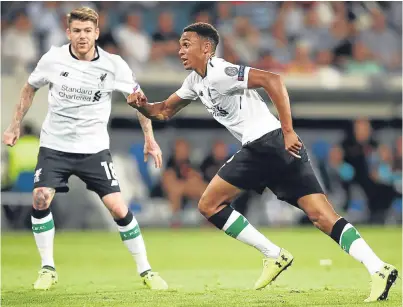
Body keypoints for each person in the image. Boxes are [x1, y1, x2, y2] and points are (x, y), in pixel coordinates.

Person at [127, 22, 398, 302]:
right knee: (322, 217)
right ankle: (378, 268)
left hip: (265, 144)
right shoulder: (195, 81)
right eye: (180, 45)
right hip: (279, 148)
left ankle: (273, 254)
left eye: (186, 44)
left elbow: (274, 80)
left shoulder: (220, 72)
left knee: (209, 205)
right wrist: (141, 106)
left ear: (206, 48)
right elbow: (163, 111)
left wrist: (288, 129)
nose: (180, 50)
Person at [2, 7, 168, 291]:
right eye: (77, 31)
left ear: (97, 33)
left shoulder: (114, 65)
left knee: (118, 207)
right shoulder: (52, 59)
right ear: (69, 32)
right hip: (55, 146)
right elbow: (29, 88)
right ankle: (47, 269)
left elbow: (138, 100)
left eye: (87, 31)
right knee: (41, 198)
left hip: (93, 150)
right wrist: (15, 125)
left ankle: (147, 271)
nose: (82, 36)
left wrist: (149, 140)